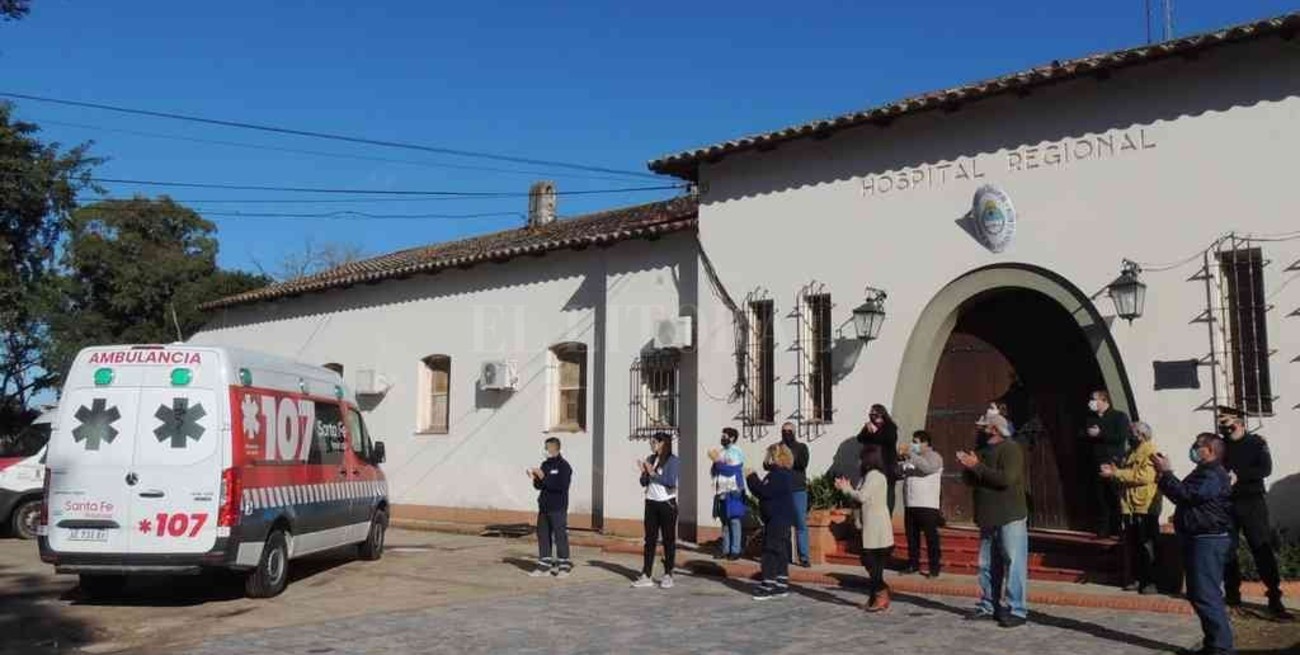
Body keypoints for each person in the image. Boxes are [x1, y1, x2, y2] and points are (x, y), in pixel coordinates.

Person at [1154, 433, 1235, 655]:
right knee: (1200, 594)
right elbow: (1181, 496)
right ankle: (1214, 644)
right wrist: (1163, 476)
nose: (1194, 448)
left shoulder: (1211, 474)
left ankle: (1221, 648)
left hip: (1208, 540)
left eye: (1199, 445)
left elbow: (1187, 495)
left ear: (1210, 451)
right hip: (1198, 538)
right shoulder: (1204, 472)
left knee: (1206, 595)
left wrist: (1167, 473)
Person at [957, 412, 1029, 629]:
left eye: (984, 427)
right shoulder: (982, 451)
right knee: (987, 565)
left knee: (1013, 563)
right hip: (987, 516)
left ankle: (1017, 609)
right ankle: (989, 605)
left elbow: (1006, 479)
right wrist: (968, 467)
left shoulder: (1010, 449)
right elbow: (971, 480)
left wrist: (977, 466)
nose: (979, 430)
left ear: (995, 429)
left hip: (1009, 515)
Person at [1218, 405, 1291, 618]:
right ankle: (1232, 597)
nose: (1226, 431)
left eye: (1229, 426)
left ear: (1240, 423)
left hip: (1252, 502)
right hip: (1228, 503)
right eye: (1222, 427)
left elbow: (1265, 469)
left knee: (1261, 548)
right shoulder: (1220, 445)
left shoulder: (1256, 443)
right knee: (1228, 551)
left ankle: (1274, 597)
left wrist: (1239, 475)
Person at [1100, 421, 1160, 594]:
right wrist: (1113, 470)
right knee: (1133, 544)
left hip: (1144, 505)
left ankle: (1150, 582)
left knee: (1147, 545)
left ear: (1141, 435)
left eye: (1132, 433)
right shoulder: (1131, 452)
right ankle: (1136, 578)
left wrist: (1117, 473)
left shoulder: (1150, 451)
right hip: (1129, 505)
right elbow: (1126, 473)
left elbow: (1145, 476)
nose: (1129, 436)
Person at [837, 444, 895, 612]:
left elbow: (862, 496)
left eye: (861, 458)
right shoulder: (867, 476)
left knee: (873, 563)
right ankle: (874, 597)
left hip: (877, 526)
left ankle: (881, 593)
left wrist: (846, 489)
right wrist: (848, 488)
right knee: (870, 563)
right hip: (869, 524)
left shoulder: (875, 476)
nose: (859, 462)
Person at [747, 443, 796, 600]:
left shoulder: (778, 475)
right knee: (780, 551)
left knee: (770, 551)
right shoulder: (782, 474)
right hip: (779, 518)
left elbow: (763, 491)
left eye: (769, 456)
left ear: (776, 457)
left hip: (778, 519)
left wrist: (751, 477)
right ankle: (781, 584)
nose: (766, 459)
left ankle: (768, 585)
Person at [633, 432, 680, 589]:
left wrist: (652, 473)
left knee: (668, 540)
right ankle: (646, 575)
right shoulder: (651, 459)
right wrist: (644, 472)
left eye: (654, 442)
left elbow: (670, 482)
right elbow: (643, 482)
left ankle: (668, 574)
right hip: (651, 503)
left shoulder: (673, 460)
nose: (651, 445)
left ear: (662, 443)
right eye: (651, 442)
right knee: (649, 540)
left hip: (667, 504)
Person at [1084, 390, 1131, 538]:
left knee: (1115, 495)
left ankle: (1119, 528)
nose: (1091, 402)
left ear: (1104, 400)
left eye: (1094, 399)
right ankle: (1104, 529)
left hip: (1113, 462)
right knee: (1101, 497)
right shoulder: (1091, 418)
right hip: (1096, 461)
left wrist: (1101, 433)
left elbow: (1121, 437)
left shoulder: (1119, 416)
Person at [898, 430, 943, 578]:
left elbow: (928, 468)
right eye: (912, 442)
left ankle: (934, 568)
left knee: (931, 538)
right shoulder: (912, 457)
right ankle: (913, 564)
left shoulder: (934, 456)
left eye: (915, 442)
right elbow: (901, 472)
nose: (913, 445)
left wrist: (911, 455)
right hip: (910, 503)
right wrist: (901, 459)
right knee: (912, 537)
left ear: (925, 443)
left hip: (927, 504)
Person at [528, 437, 574, 578]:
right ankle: (544, 565)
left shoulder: (564, 466)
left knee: (560, 536)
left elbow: (561, 486)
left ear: (555, 448)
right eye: (545, 447)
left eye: (547, 447)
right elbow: (540, 486)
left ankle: (564, 566)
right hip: (544, 506)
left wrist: (544, 477)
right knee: (543, 535)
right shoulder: (545, 464)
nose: (545, 450)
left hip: (558, 507)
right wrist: (535, 478)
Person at [710, 427, 747, 561]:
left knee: (734, 520)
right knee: (724, 521)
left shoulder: (736, 451)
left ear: (732, 438)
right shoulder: (721, 451)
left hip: (733, 490)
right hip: (721, 490)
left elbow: (731, 470)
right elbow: (715, 470)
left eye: (725, 436)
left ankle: (735, 550)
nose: (722, 438)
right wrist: (715, 465)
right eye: (722, 436)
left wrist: (717, 463)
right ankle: (725, 549)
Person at [780, 422, 812, 568]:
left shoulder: (802, 447)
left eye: (789, 431)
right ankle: (784, 555)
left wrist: (787, 457)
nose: (786, 433)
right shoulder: (777, 447)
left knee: (800, 523)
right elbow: (769, 463)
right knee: (783, 524)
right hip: (781, 490)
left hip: (798, 489)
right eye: (784, 431)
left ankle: (804, 557)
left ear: (794, 432)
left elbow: (802, 463)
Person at [857, 404, 900, 514]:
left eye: (875, 413)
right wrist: (868, 430)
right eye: (871, 413)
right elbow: (860, 438)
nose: (872, 415)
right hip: (870, 466)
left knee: (888, 492)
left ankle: (888, 514)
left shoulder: (890, 426)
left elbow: (886, 439)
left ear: (881, 414)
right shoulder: (868, 426)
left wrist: (874, 431)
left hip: (887, 466)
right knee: (870, 490)